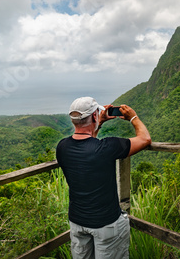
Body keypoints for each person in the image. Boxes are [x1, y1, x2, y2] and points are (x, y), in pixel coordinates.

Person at [56, 96, 151, 259]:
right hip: (106, 224)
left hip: (77, 223)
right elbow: (145, 139)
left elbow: (86, 142)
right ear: (94, 116)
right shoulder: (107, 148)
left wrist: (98, 123)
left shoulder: (62, 147)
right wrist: (133, 117)